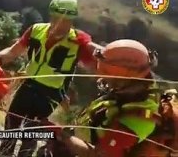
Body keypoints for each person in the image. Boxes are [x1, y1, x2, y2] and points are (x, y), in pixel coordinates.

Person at [0, 0, 103, 157]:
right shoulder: (36, 30)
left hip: (51, 92)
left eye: (65, 19)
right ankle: (5, 154)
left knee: (30, 128)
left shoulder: (78, 40)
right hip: (29, 84)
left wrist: (108, 56)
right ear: (50, 15)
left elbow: (95, 54)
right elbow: (12, 52)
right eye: (56, 17)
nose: (60, 23)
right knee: (11, 121)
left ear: (72, 20)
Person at [37, 39, 178, 157]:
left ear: (123, 75)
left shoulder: (139, 118)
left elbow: (100, 154)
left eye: (106, 72)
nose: (101, 76)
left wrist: (59, 134)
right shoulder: (128, 88)